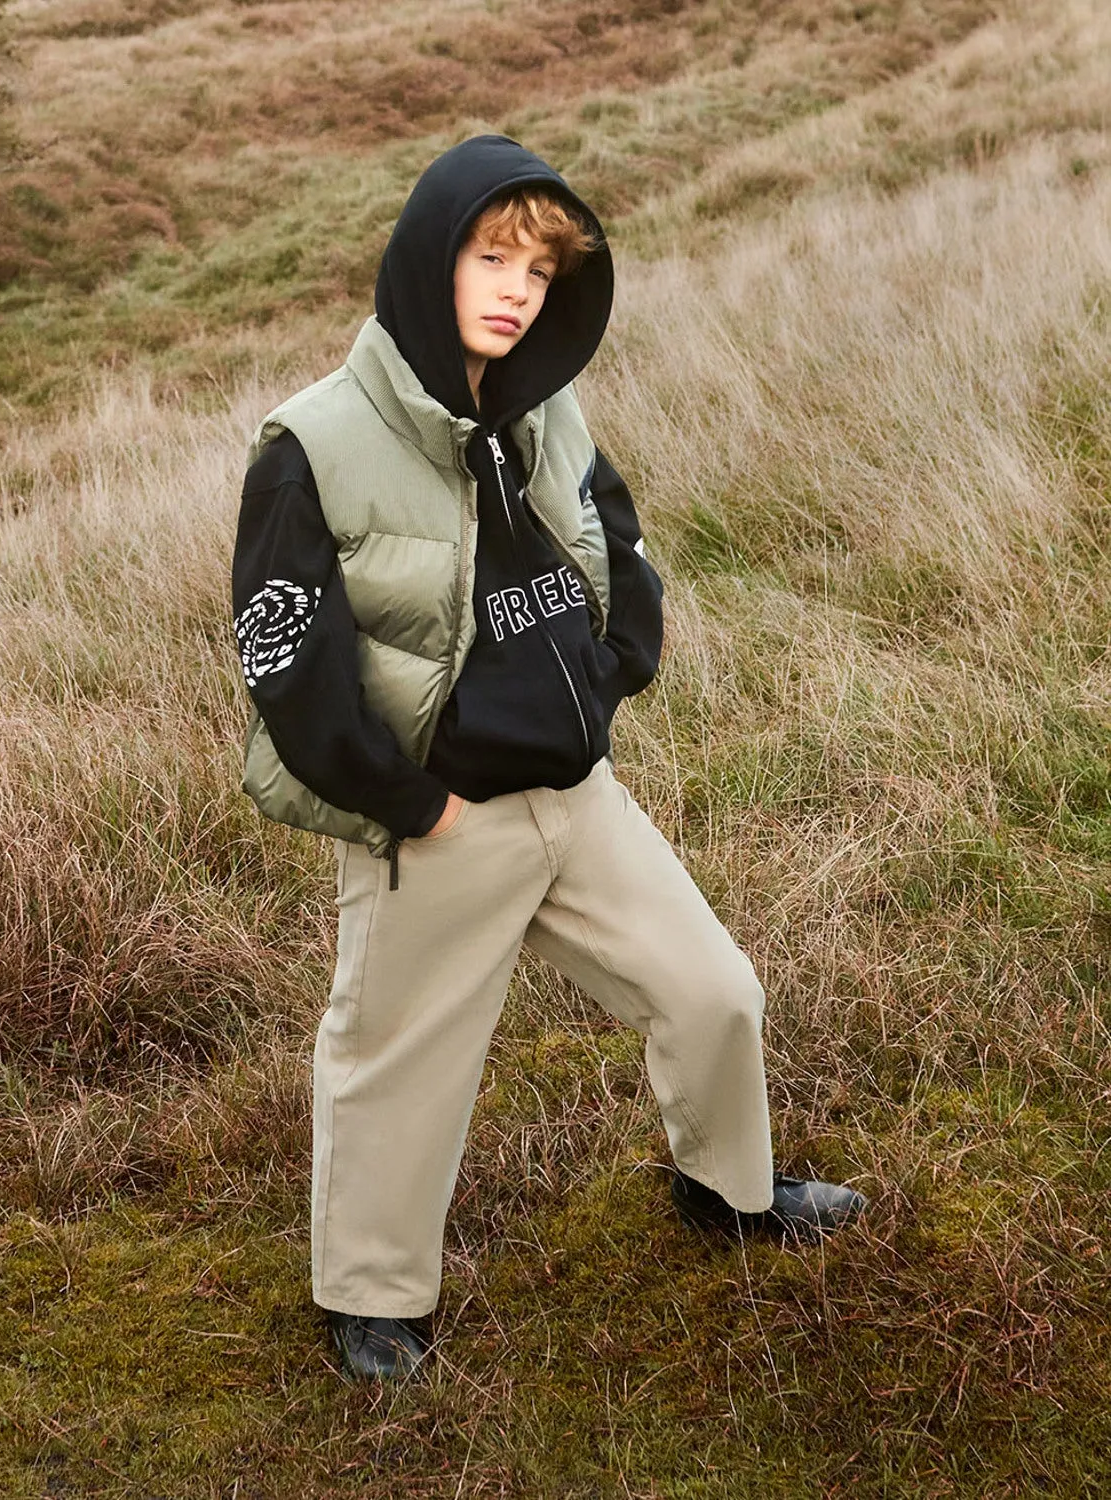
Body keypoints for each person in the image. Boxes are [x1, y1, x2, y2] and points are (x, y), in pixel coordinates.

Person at [230, 135, 865, 1384]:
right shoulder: (310, 444)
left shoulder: (543, 399)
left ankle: (727, 1194)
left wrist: (621, 662)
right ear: (430, 255)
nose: (517, 287)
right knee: (398, 1062)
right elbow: (282, 657)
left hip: (578, 790)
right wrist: (412, 803)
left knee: (714, 991)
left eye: (538, 265)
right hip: (439, 817)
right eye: (491, 253)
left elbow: (613, 527)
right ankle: (371, 1301)